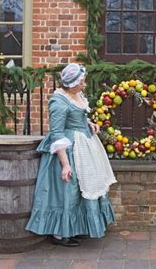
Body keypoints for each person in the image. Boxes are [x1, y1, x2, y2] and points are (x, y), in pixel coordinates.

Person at [25, 63, 117, 247]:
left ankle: (78, 227)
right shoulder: (58, 102)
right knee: (69, 189)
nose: (84, 85)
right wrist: (65, 164)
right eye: (81, 82)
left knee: (86, 185)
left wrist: (89, 123)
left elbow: (78, 116)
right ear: (72, 83)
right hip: (68, 149)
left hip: (84, 144)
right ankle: (60, 234)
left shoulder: (76, 95)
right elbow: (57, 135)